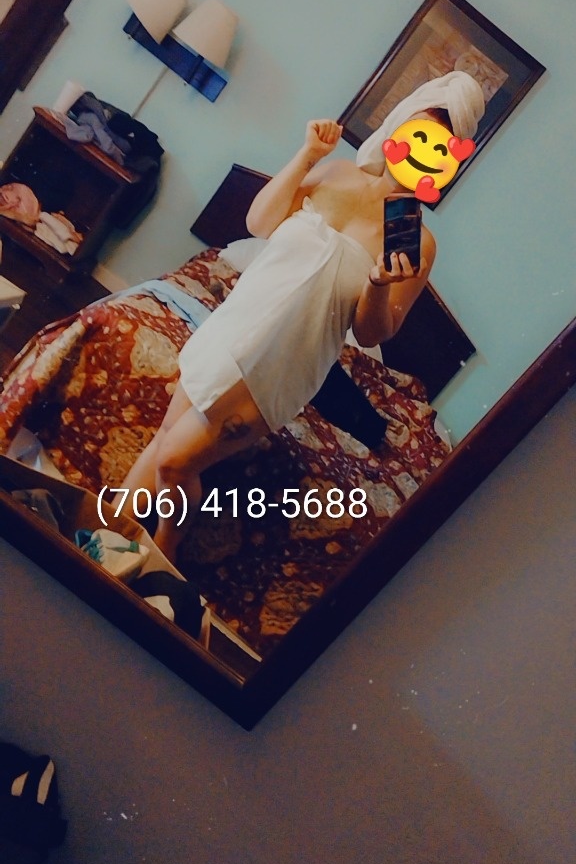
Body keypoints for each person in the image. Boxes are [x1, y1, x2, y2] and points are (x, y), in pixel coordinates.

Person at [114, 71, 485, 561]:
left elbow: (372, 331)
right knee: (164, 438)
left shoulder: (415, 238)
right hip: (231, 331)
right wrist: (307, 155)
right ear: (399, 127)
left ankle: (161, 554)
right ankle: (102, 535)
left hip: (283, 366)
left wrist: (377, 284)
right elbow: (259, 223)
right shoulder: (336, 173)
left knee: (175, 460)